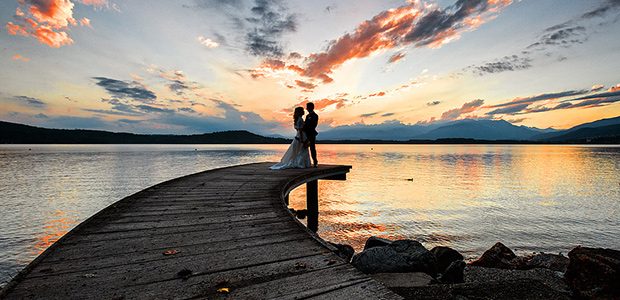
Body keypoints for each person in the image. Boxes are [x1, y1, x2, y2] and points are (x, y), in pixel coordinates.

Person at [303, 102, 318, 167]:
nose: (307, 108)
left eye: (308, 107)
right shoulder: (307, 116)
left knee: (312, 147)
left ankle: (315, 161)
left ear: (311, 107)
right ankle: (304, 161)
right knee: (304, 148)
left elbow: (313, 125)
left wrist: (307, 129)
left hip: (311, 134)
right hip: (306, 134)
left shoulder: (315, 116)